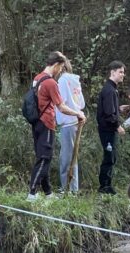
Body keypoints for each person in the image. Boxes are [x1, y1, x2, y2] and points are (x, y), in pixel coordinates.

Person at [27, 51, 86, 200]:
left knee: (43, 156)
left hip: (36, 123)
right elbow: (61, 107)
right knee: (45, 157)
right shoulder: (51, 82)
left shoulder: (37, 78)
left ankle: (48, 192)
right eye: (60, 67)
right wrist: (78, 113)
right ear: (56, 65)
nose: (61, 70)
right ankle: (32, 193)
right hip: (47, 123)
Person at [55, 59, 85, 194]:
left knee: (66, 157)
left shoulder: (62, 81)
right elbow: (82, 102)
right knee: (72, 156)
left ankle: (66, 190)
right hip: (75, 120)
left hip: (68, 121)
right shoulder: (75, 80)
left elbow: (61, 102)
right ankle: (73, 189)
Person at [96, 61, 125, 195]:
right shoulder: (109, 90)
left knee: (111, 156)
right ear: (112, 72)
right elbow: (108, 113)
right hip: (107, 129)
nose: (122, 75)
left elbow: (110, 109)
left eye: (123, 72)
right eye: (120, 72)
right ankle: (104, 186)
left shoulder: (112, 89)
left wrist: (118, 109)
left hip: (109, 129)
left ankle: (107, 185)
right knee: (109, 157)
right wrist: (117, 125)